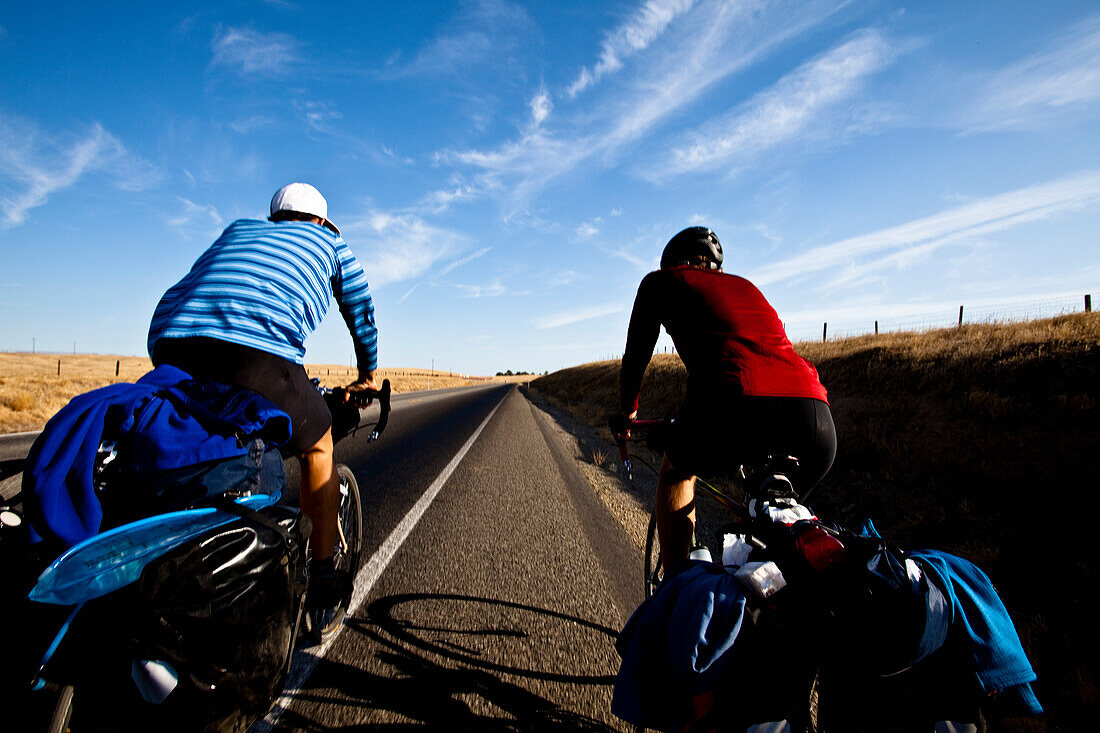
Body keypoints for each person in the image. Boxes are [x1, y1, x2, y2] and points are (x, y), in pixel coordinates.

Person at [147, 182, 378, 605]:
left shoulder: (238, 230)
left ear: (274, 218)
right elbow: (361, 311)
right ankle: (323, 575)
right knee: (319, 444)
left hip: (171, 344)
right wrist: (367, 373)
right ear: (324, 221)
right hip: (256, 355)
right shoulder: (330, 243)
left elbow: (179, 293)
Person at [616, 226, 835, 570]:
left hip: (733, 404)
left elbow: (636, 356)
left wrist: (628, 413)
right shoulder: (746, 286)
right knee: (781, 532)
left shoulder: (660, 281)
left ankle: (677, 590)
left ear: (672, 263)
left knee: (676, 471)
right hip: (816, 420)